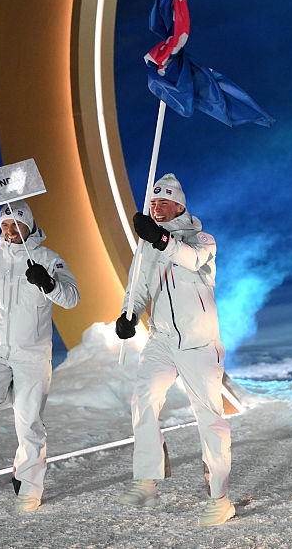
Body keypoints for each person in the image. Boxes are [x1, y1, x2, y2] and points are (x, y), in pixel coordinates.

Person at [114, 173, 235, 527]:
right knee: (143, 401)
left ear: (180, 205)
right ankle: (146, 482)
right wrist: (129, 315)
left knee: (210, 417)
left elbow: (192, 260)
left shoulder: (202, 239)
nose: (157, 207)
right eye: (153, 203)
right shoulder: (146, 246)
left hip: (200, 345)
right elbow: (136, 288)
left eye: (164, 202)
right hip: (162, 341)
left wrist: (160, 238)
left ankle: (220, 497)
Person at [0, 199, 79, 513]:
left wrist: (48, 283)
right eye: (5, 225)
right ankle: (23, 396)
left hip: (32, 354)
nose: (10, 231)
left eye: (16, 224)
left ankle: (28, 486)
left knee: (29, 424)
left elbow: (72, 298)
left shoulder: (48, 259)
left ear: (29, 225)